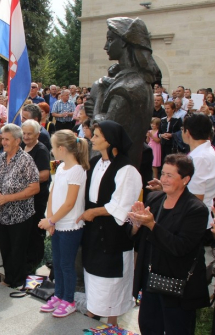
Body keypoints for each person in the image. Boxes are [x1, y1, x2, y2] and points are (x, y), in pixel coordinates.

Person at [128, 154, 209, 335]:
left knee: (177, 329)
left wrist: (151, 225)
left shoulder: (196, 209)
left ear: (186, 179)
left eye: (170, 175)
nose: (163, 179)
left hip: (178, 286)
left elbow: (180, 247)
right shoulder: (155, 199)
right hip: (151, 282)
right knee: (148, 326)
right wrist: (136, 225)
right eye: (163, 173)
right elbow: (139, 239)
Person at [76, 120, 142, 326]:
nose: (91, 138)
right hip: (93, 232)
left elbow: (121, 205)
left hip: (113, 233)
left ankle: (112, 321)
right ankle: (93, 312)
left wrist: (93, 212)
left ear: (110, 141)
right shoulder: (95, 163)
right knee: (93, 276)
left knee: (112, 282)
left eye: (96, 136)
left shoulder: (127, 170)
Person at [85, 17, 158, 169]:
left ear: (124, 42)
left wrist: (99, 98)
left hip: (113, 168)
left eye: (110, 40)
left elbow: (103, 134)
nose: (106, 46)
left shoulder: (127, 88)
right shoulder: (135, 81)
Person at [38, 130, 89, 317]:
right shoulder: (60, 168)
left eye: (53, 146)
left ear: (61, 148)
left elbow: (70, 202)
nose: (52, 150)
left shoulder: (77, 170)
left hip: (70, 226)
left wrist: (52, 219)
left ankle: (69, 299)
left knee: (67, 265)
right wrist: (50, 218)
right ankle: (58, 295)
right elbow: (52, 194)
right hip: (57, 223)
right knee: (57, 263)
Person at [0, 123, 40, 287]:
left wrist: (8, 198)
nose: (3, 142)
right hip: (1, 213)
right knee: (5, 249)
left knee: (17, 250)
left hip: (20, 215)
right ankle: (9, 278)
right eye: (2, 139)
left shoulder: (26, 160)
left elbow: (35, 187)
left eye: (7, 139)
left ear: (18, 141)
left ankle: (18, 280)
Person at [21, 120, 51, 273]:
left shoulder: (41, 150)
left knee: (35, 230)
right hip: (23, 197)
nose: (25, 137)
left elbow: (45, 175)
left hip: (36, 198)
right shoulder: (21, 146)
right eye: (24, 133)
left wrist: (23, 178)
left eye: (29, 134)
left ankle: (35, 261)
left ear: (38, 134)